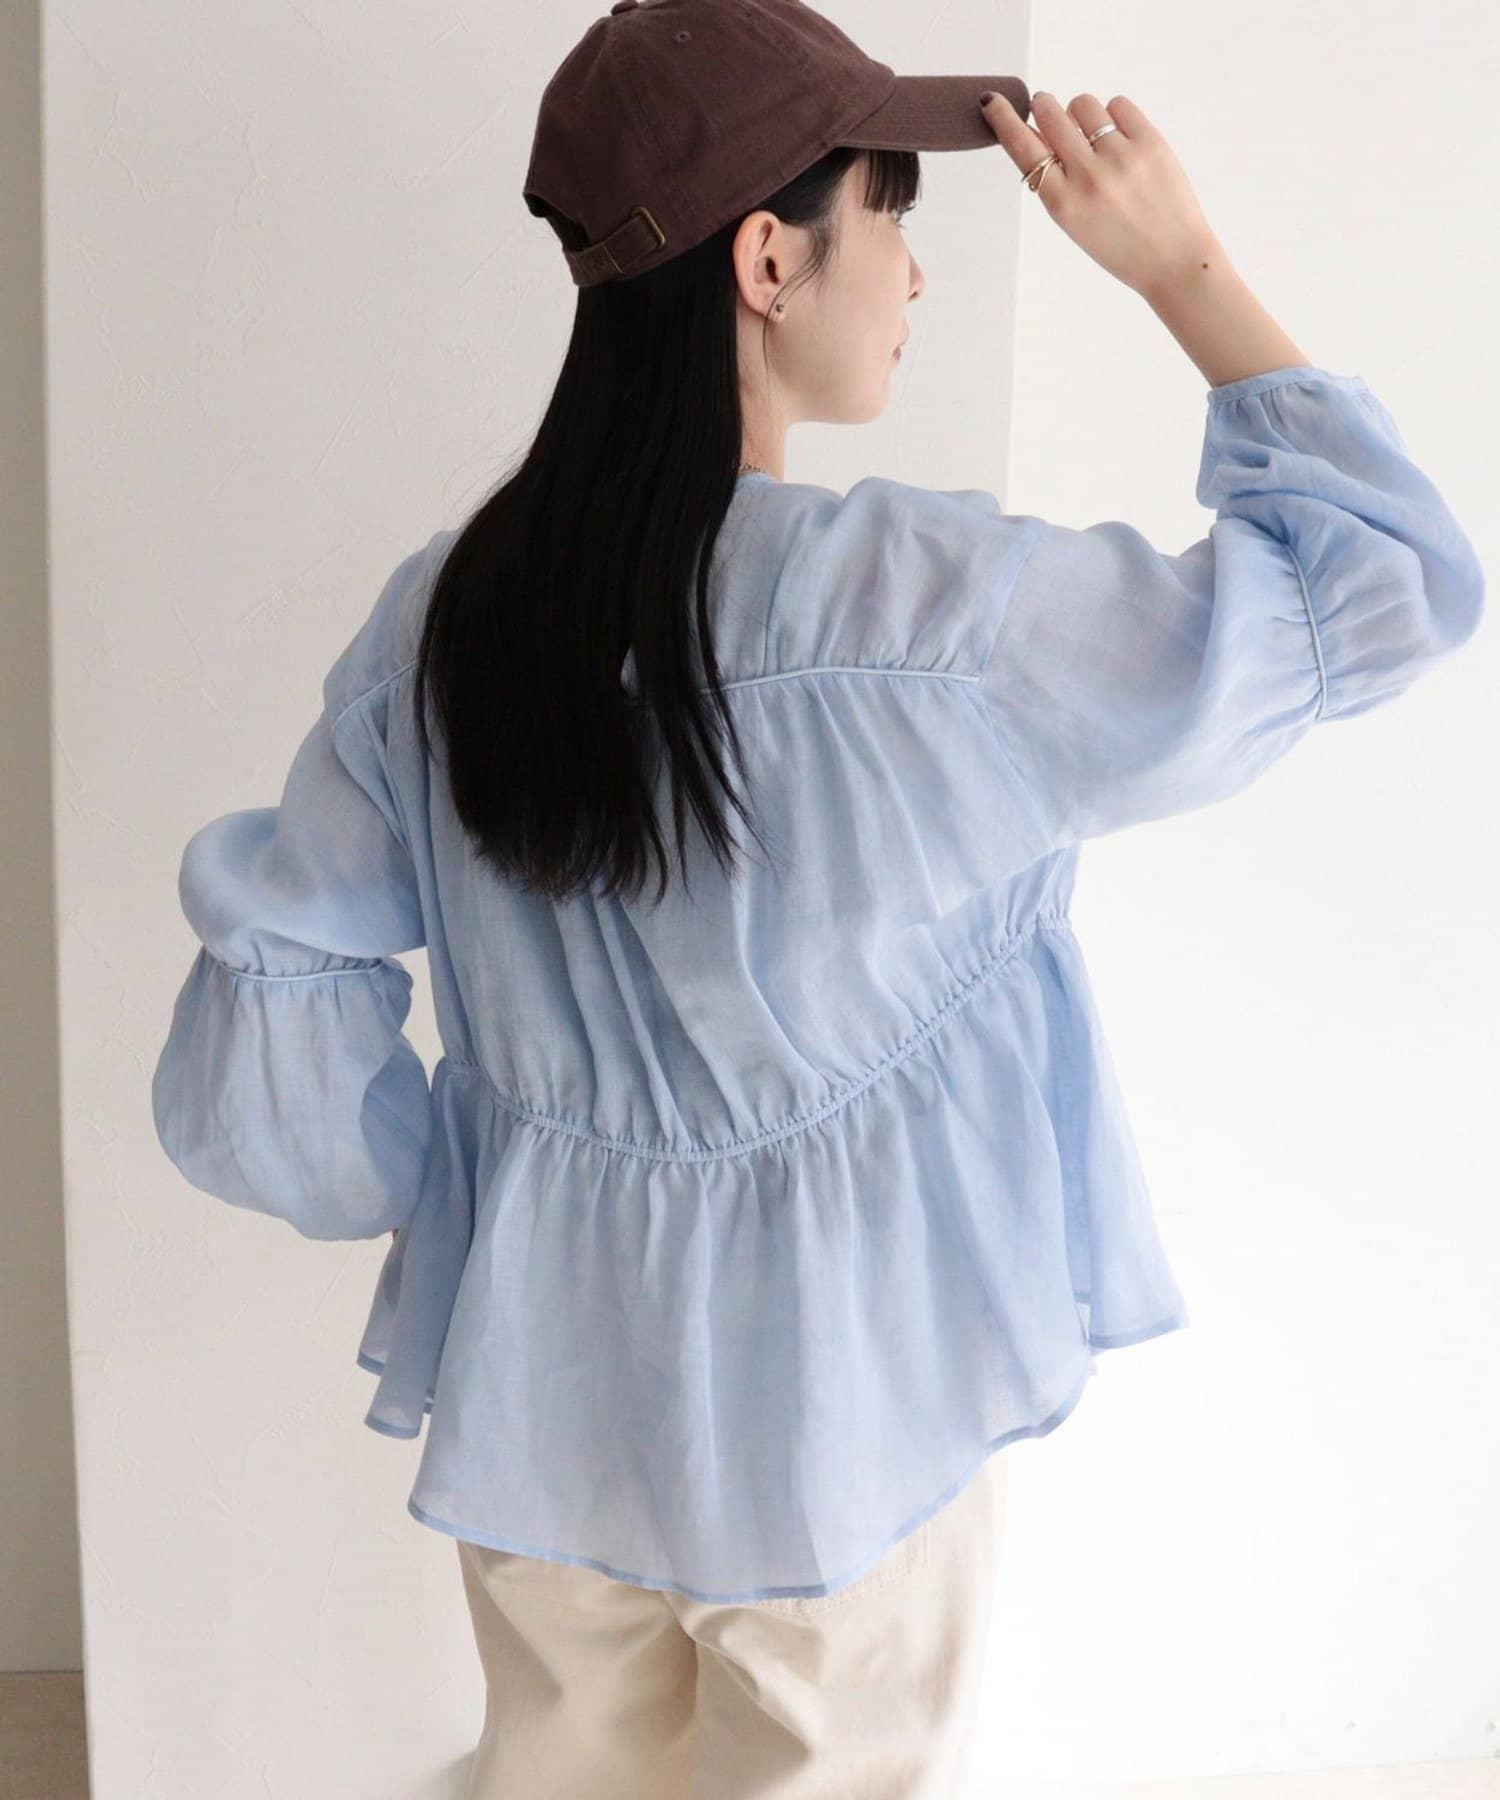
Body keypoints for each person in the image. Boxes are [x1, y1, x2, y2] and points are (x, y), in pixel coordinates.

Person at [149, 2, 1486, 1795]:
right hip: (837, 1425)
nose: (914, 274)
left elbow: (280, 1007)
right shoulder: (917, 613)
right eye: (890, 213)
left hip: (546, 1402)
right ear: (769, 261)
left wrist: (486, 1193)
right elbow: (1382, 583)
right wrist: (1185, 272)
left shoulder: (447, 621)